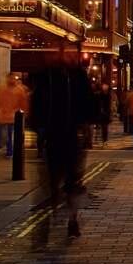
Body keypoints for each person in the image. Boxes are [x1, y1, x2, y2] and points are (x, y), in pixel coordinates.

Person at [29, 50, 94, 238]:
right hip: (66, 137)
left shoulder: (47, 77)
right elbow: (90, 107)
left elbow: (36, 108)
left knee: (55, 181)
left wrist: (38, 129)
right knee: (67, 182)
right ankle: (67, 219)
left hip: (58, 137)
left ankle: (58, 219)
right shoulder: (76, 77)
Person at [0, 73, 29, 157]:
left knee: (10, 135)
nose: (11, 80)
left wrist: (24, 114)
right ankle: (9, 150)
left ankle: (10, 151)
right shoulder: (3, 90)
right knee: (6, 135)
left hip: (14, 117)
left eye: (13, 78)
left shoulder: (19, 90)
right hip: (5, 117)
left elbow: (23, 103)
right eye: (10, 78)